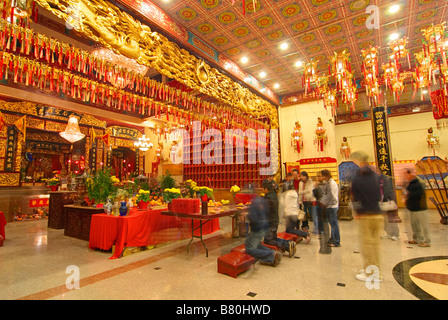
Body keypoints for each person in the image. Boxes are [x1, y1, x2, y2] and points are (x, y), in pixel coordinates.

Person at [350, 151, 383, 282]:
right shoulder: (375, 176)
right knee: (375, 245)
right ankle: (373, 268)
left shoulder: (357, 178)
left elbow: (355, 198)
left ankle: (372, 274)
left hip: (366, 215)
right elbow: (378, 194)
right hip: (377, 213)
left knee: (367, 245)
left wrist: (357, 213)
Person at [262, 179, 296, 257]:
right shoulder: (273, 195)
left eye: (263, 188)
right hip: (275, 221)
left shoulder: (268, 198)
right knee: (273, 238)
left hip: (270, 223)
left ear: (266, 189)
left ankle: (286, 246)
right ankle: (289, 243)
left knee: (267, 240)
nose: (262, 190)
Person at [245, 196, 282, 266]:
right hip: (264, 226)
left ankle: (271, 255)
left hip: (257, 228)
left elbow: (253, 218)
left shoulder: (254, 202)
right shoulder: (262, 200)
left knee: (249, 249)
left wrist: (247, 217)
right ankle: (274, 252)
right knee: (256, 244)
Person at [404, 168, 430, 247]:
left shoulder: (419, 183)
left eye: (405, 174)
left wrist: (407, 195)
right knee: (415, 225)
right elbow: (407, 192)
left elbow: (418, 194)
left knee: (423, 225)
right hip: (413, 208)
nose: (404, 176)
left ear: (410, 174)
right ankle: (417, 239)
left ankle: (427, 241)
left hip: (420, 208)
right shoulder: (410, 183)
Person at [320, 170, 340, 247]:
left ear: (326, 176)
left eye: (322, 176)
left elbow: (330, 196)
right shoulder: (328, 183)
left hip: (332, 206)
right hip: (329, 206)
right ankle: (333, 239)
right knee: (332, 224)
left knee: (334, 224)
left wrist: (323, 203)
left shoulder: (332, 184)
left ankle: (336, 241)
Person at [379, 172, 400, 241]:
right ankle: (388, 233)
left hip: (388, 202)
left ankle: (395, 234)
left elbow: (386, 193)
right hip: (382, 202)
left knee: (391, 218)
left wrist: (382, 197)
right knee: (385, 219)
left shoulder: (386, 182)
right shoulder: (379, 183)